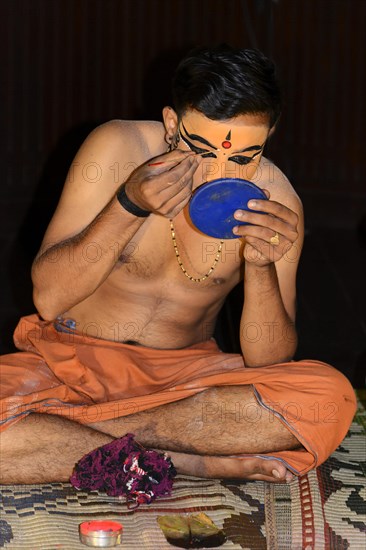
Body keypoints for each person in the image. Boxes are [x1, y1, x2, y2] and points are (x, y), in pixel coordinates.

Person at [0, 45, 356, 485]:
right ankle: (182, 459)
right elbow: (49, 299)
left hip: (182, 384)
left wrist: (261, 266)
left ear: (270, 135)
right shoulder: (116, 148)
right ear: (172, 123)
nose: (217, 172)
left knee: (327, 399)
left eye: (244, 157)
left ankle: (77, 440)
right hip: (68, 363)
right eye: (203, 149)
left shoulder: (277, 204)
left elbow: (271, 360)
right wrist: (129, 204)